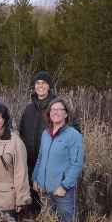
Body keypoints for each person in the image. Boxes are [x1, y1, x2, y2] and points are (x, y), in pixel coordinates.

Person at [19, 72, 80, 214]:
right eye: (38, 83)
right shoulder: (28, 109)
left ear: (49, 86)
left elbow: (73, 130)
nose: (40, 86)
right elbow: (22, 132)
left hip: (55, 166)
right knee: (36, 201)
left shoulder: (57, 107)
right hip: (32, 164)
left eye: (44, 83)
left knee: (61, 209)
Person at [31, 98, 84, 222]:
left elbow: (77, 164)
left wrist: (65, 186)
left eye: (59, 110)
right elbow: (40, 157)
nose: (55, 112)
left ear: (66, 114)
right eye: (52, 110)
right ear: (49, 113)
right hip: (44, 189)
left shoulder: (73, 135)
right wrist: (35, 178)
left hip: (61, 191)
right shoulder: (46, 134)